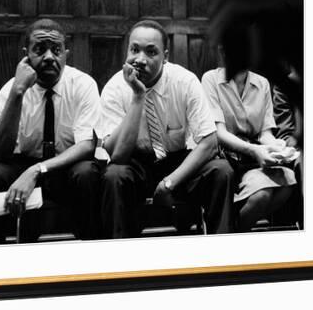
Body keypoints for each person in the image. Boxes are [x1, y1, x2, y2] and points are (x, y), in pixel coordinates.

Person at [98, 20, 235, 239]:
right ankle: (118, 260)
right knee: (113, 176)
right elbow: (118, 156)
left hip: (177, 163)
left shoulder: (185, 81)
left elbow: (209, 143)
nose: (140, 60)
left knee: (222, 171)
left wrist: (169, 183)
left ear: (166, 56)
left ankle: (221, 256)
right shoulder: (115, 88)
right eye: (134, 50)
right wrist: (137, 97)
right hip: (136, 165)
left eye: (151, 52)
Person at [0, 19, 101, 244]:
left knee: (87, 174)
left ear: (66, 54)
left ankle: (92, 253)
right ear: (26, 54)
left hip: (66, 165)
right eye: (40, 50)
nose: (49, 57)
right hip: (24, 163)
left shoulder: (83, 85)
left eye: (56, 50)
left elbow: (87, 145)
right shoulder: (10, 90)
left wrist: (37, 171)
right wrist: (18, 93)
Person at [201, 65, 297, 231]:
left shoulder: (262, 83)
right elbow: (219, 133)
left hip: (252, 158)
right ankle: (233, 235)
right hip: (224, 159)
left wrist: (277, 146)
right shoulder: (210, 79)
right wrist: (254, 150)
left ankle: (236, 230)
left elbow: (265, 134)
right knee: (262, 195)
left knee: (288, 180)